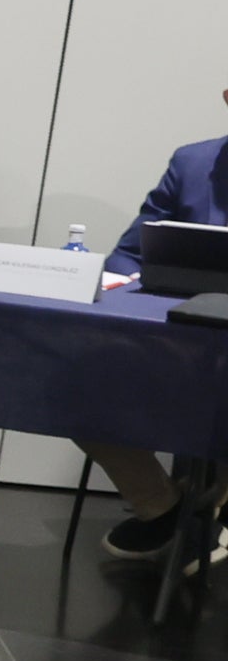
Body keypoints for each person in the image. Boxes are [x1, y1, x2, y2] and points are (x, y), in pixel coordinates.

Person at [85, 89, 228, 557]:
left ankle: (215, 508)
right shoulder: (193, 163)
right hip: (176, 336)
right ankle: (163, 509)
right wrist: (119, 289)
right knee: (79, 375)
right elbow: (130, 253)